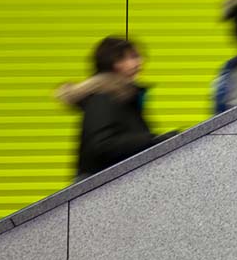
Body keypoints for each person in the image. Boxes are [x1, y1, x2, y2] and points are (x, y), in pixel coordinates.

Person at [57, 37, 176, 180]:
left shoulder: (124, 96)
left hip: (110, 183)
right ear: (115, 62)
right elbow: (102, 145)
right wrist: (151, 140)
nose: (140, 62)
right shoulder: (104, 97)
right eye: (133, 57)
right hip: (96, 188)